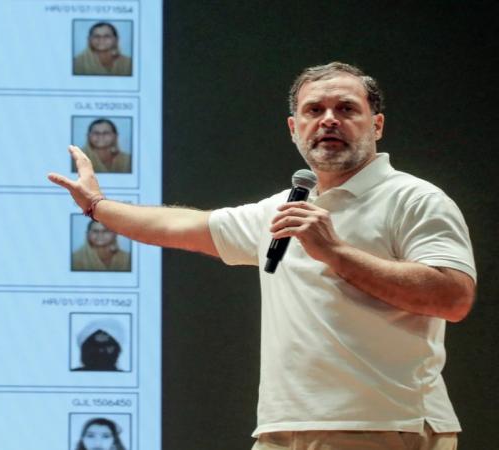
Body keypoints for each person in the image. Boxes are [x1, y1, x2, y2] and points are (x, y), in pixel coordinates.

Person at [50, 62, 476, 449]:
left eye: (346, 109)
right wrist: (97, 206)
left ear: (377, 124)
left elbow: (453, 298)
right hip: (281, 431)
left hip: (383, 426)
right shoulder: (282, 209)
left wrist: (336, 252)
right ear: (294, 128)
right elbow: (183, 227)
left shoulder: (414, 199)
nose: (329, 119)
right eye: (314, 110)